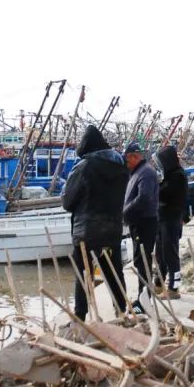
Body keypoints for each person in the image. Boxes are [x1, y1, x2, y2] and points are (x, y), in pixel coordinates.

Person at [62, 125, 129, 320]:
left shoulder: (84, 166)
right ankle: (121, 312)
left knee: (83, 275)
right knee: (114, 272)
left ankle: (80, 317)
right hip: (113, 229)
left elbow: (67, 201)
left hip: (87, 231)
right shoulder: (121, 166)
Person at [122, 142, 159, 313]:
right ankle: (142, 298)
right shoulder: (138, 171)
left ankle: (144, 301)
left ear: (134, 156)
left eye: (127, 160)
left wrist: (125, 212)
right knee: (139, 260)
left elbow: (143, 197)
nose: (126, 164)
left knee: (143, 262)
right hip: (139, 223)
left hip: (145, 223)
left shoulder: (147, 173)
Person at [156, 145, 188, 299]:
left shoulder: (178, 176)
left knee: (171, 254)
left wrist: (155, 188)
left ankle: (174, 288)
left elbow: (166, 193)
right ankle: (158, 283)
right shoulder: (170, 175)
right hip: (163, 219)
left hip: (171, 219)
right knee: (161, 254)